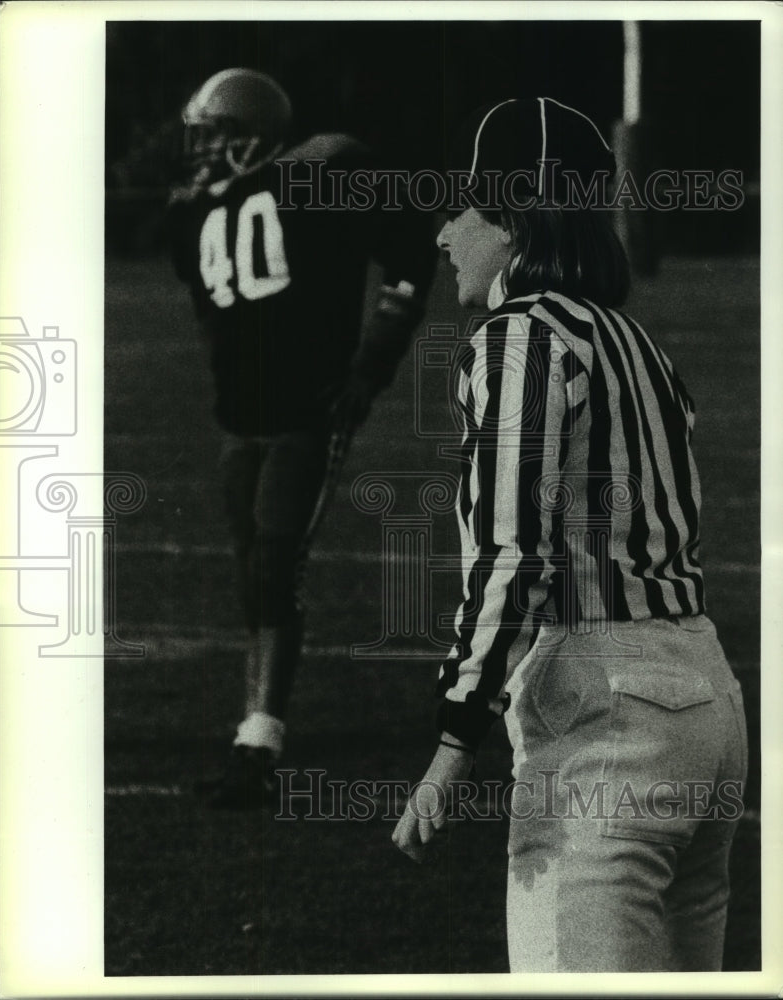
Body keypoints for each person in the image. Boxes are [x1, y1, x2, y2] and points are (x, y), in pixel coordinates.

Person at [392, 97, 748, 972]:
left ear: (512, 217)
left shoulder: (517, 342)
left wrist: (450, 741)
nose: (443, 234)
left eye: (460, 207)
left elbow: (514, 554)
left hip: (606, 717)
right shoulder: (639, 344)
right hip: (710, 702)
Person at [167, 68, 436, 808]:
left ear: (253, 134)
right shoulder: (198, 211)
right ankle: (256, 719)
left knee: (275, 568)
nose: (203, 151)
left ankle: (259, 741)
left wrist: (370, 365)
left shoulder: (320, 175)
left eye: (215, 135)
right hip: (238, 423)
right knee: (253, 567)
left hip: (303, 416)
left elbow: (411, 255)